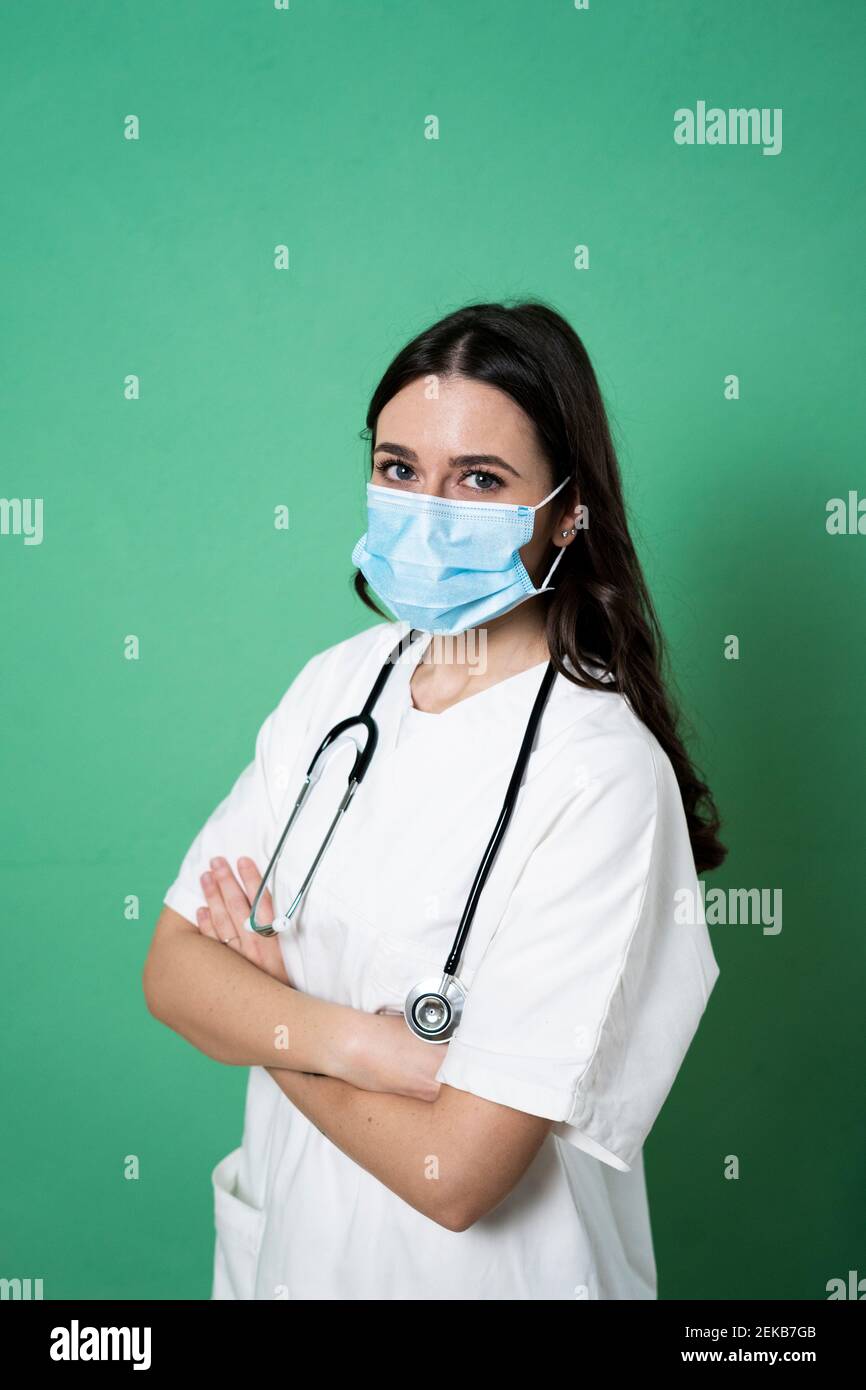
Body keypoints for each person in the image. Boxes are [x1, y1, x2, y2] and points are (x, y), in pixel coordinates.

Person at [142, 299, 724, 1300]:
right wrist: (369, 1045)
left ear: (565, 510)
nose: (426, 508)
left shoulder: (602, 779)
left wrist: (266, 1014)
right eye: (400, 468)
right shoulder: (337, 689)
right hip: (292, 1260)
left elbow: (455, 1174)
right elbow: (172, 973)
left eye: (480, 480)